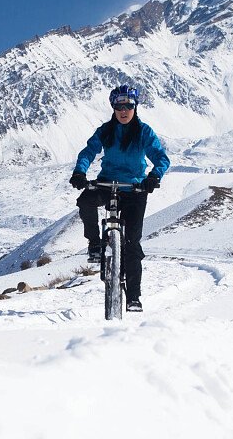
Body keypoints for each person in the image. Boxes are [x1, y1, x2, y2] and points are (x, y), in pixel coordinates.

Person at [69, 85, 170, 312]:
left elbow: (161, 158)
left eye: (128, 106)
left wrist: (153, 176)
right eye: (118, 106)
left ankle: (134, 296)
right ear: (113, 108)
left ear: (135, 107)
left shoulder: (144, 132)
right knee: (85, 201)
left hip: (134, 188)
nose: (123, 110)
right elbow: (88, 152)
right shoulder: (105, 131)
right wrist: (79, 171)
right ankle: (95, 244)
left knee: (132, 244)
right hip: (107, 183)